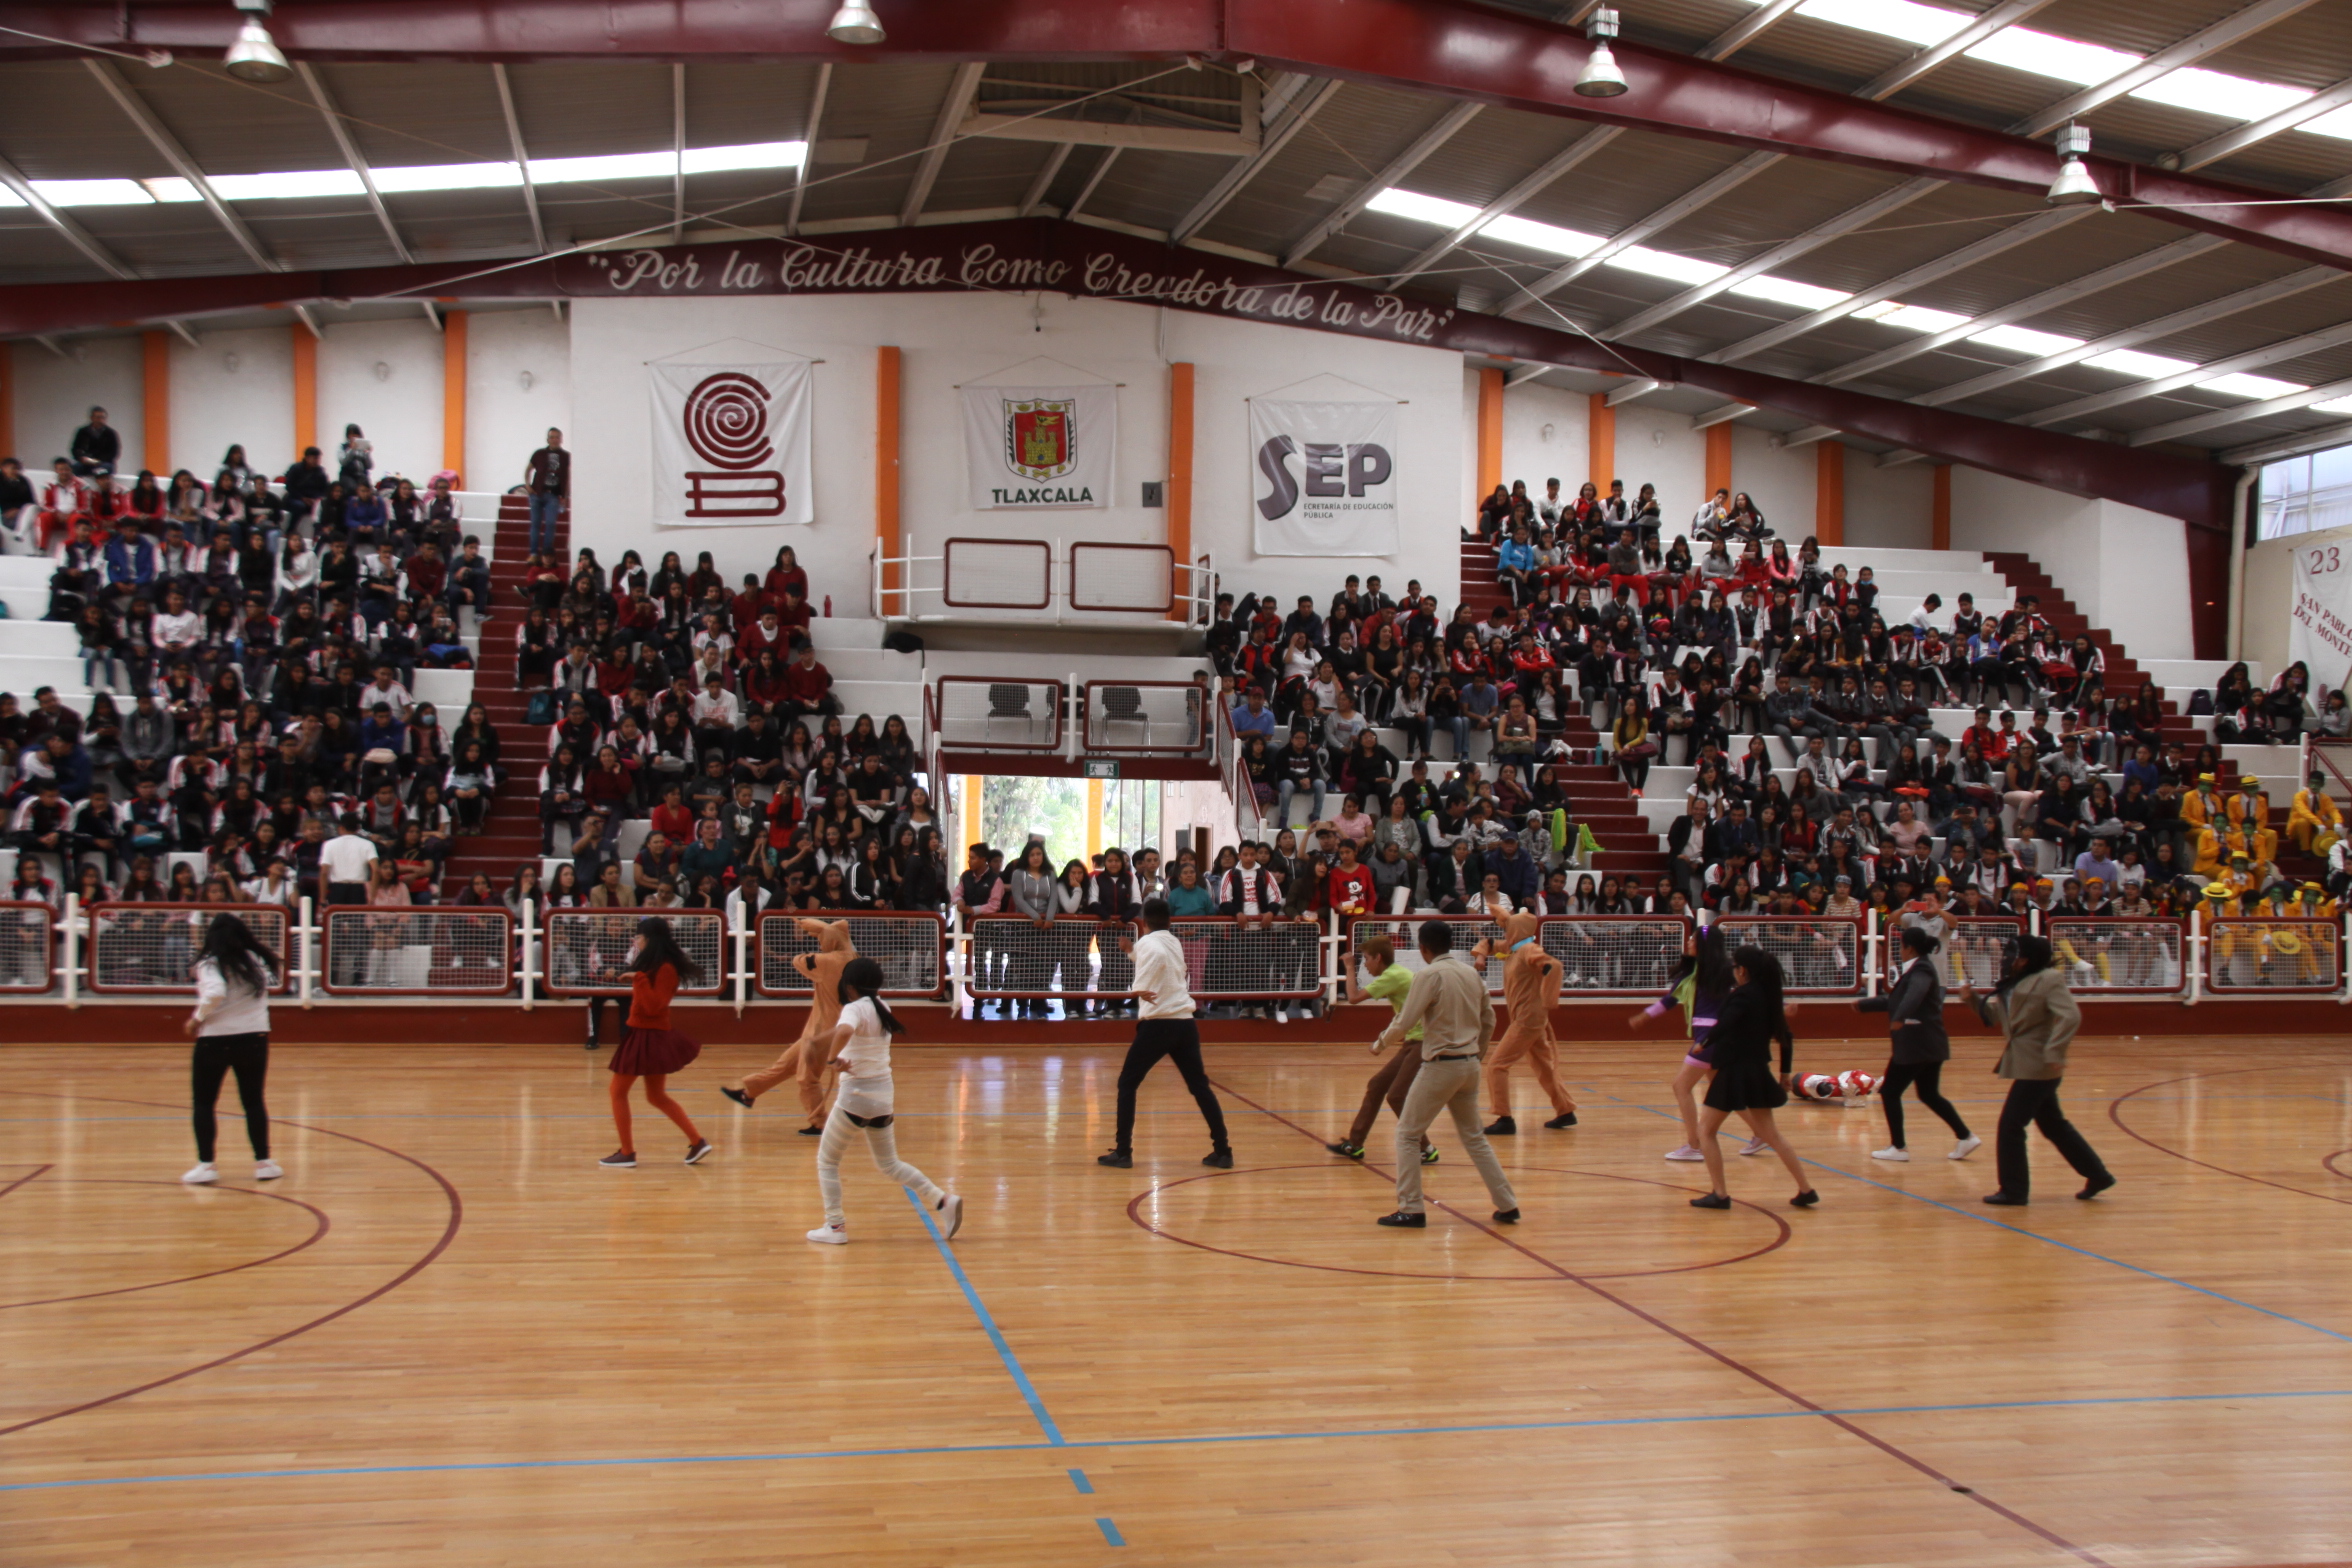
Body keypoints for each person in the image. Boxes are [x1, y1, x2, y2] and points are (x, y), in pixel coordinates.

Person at [1371, 920, 1520, 1229]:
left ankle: (1411, 1208)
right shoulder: (1471, 974)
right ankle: (1507, 1204)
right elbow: (1489, 1020)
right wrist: (1476, 1055)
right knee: (1474, 1137)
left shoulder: (1428, 975)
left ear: (1423, 948)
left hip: (1441, 1064)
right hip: (1469, 1066)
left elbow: (1405, 1019)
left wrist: (1380, 1043)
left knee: (1407, 1134)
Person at [806, 957, 963, 1245]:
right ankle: (943, 1200)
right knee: (889, 1164)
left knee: (827, 1161)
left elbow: (843, 1031)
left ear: (849, 986)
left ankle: (835, 1226)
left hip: (856, 1098)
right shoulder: (882, 1006)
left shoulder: (854, 1008)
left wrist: (831, 1059)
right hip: (883, 1097)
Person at [1961, 934, 2114, 1206]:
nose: (2008, 959)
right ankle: (2098, 1175)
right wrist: (1971, 999)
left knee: (2011, 1127)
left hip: (2040, 1064)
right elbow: (1996, 1018)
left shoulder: (2049, 979)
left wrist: (2055, 1051)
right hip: (2027, 1062)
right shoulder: (2015, 981)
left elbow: (2071, 1016)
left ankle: (2014, 1190)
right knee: (2054, 1125)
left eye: (2014, 955)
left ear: (2027, 959)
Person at [1097, 898, 1232, 1170]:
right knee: (1200, 1087)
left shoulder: (1149, 943)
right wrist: (1130, 952)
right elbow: (1154, 954)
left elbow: (1152, 955)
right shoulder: (1173, 942)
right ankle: (1223, 1150)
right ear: (1169, 921)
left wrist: (1139, 986)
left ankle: (1123, 1151)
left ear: (1144, 921)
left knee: (1127, 1084)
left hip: (1158, 1024)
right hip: (1185, 1023)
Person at [1688, 947, 1818, 1211]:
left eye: (1735, 967)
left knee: (1706, 1131)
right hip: (1758, 1071)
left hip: (1734, 1071)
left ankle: (1720, 1194)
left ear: (1742, 970)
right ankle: (1806, 1189)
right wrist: (1784, 1073)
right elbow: (1786, 1036)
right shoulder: (1769, 996)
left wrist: (1706, 1042)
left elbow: (1725, 1023)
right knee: (1772, 1135)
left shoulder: (1743, 997)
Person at [1855, 926, 1979, 1163]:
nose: (1899, 950)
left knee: (1890, 1091)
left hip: (1916, 1046)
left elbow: (1914, 994)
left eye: (1900, 946)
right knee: (1929, 1094)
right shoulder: (1920, 968)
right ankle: (1966, 1137)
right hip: (1931, 1045)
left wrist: (1900, 1017)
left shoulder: (1921, 969)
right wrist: (1864, 1005)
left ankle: (1898, 1148)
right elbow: (1896, 1000)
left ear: (1908, 948)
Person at [599, 917, 714, 1168]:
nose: (636, 941)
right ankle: (697, 1141)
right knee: (656, 1095)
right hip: (647, 1034)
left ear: (650, 940)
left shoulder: (664, 968)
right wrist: (635, 977)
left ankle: (627, 1152)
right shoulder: (656, 966)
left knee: (618, 1091)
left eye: (639, 937)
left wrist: (637, 979)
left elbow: (653, 1006)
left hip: (648, 1035)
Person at [723, 916, 855, 1133]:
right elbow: (838, 939)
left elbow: (798, 960)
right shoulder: (852, 956)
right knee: (786, 1065)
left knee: (806, 1078)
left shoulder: (826, 962)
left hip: (823, 1032)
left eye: (822, 939)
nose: (820, 943)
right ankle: (749, 1094)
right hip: (833, 1026)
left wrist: (819, 928)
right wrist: (825, 930)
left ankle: (820, 1123)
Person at [180, 914, 283, 1185]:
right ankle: (264, 1162)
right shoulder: (256, 959)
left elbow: (215, 991)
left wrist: (196, 1019)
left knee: (204, 1102)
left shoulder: (209, 963)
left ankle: (207, 1164)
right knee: (253, 1101)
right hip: (255, 1036)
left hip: (215, 1038)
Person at [1325, 933, 1436, 1165]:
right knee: (1377, 1086)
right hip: (1413, 1040)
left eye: (1366, 959)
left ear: (1378, 958)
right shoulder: (1396, 974)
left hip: (1424, 1041)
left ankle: (1425, 1148)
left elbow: (1353, 997)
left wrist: (1349, 967)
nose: (1364, 963)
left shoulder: (1392, 976)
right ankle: (1355, 1144)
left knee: (1396, 1096)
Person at [1630, 925, 1733, 1163]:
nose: (1688, 942)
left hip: (1708, 1040)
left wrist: (1644, 1016)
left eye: (1693, 939)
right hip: (1715, 1039)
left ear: (1704, 945)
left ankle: (1695, 1145)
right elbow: (1669, 1000)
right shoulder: (1693, 972)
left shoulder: (1719, 972)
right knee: (1725, 1092)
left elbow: (1746, 998)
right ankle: (1760, 1134)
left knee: (1681, 1086)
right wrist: (1646, 1015)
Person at [1473, 912, 1577, 1135]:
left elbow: (1553, 966)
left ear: (1517, 929)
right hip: (1528, 1018)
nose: (1505, 931)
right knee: (1544, 1066)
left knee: (1497, 1066)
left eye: (1508, 927)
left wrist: (1549, 999)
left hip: (1528, 1019)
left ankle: (1504, 1118)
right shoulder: (1512, 948)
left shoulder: (1528, 950)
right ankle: (1565, 1110)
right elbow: (1488, 943)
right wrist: (1481, 956)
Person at [525, 428, 569, 557]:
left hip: (553, 495)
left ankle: (546, 553)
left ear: (561, 439)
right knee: (535, 524)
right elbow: (528, 469)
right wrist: (527, 485)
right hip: (537, 493)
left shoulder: (566, 456)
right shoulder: (539, 454)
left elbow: (567, 477)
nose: (554, 440)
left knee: (550, 524)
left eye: (557, 437)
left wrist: (565, 496)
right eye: (552, 437)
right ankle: (533, 553)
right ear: (547, 439)